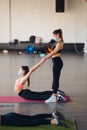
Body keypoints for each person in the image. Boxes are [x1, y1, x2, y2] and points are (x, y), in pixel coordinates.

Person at [40, 29, 64, 103]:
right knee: (54, 78)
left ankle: (54, 96)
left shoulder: (60, 43)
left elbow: (53, 52)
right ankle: (53, 91)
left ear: (57, 35)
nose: (53, 36)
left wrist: (44, 58)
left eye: (54, 35)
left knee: (56, 79)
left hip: (57, 62)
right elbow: (51, 51)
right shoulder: (57, 42)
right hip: (56, 61)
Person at [0, 111, 67, 127]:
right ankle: (53, 114)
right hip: (8, 115)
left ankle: (54, 121)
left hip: (7, 120)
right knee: (32, 118)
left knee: (32, 122)